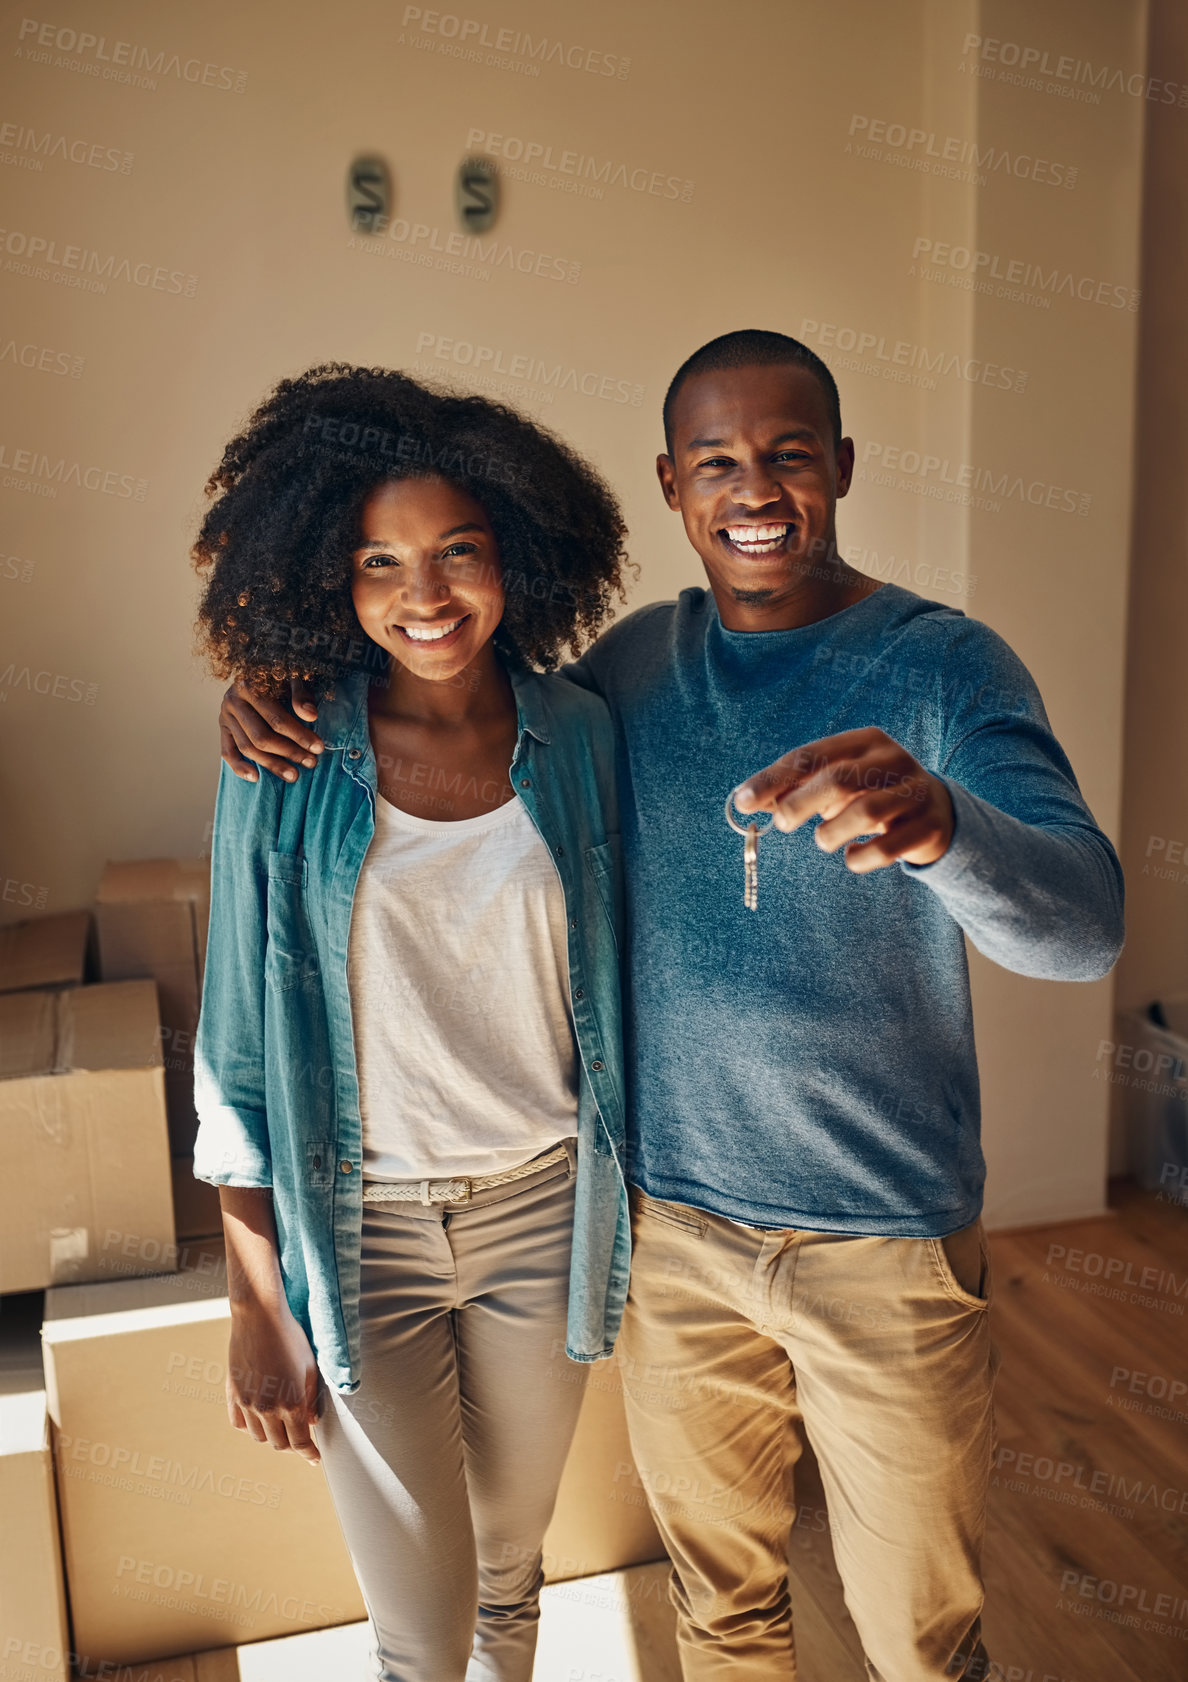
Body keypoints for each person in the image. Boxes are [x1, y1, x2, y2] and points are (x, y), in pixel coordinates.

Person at [218, 332, 1125, 1682]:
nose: (754, 488)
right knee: (722, 1608)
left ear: (844, 468)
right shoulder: (627, 678)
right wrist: (274, 685)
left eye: (788, 455)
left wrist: (942, 825)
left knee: (923, 1638)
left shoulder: (945, 668)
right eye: (717, 461)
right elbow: (449, 700)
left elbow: (1088, 924)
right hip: (677, 1238)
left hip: (883, 1245)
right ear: (669, 485)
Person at [191, 362, 633, 1682]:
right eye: (379, 561)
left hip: (540, 1212)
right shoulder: (280, 759)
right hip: (360, 1230)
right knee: (421, 1627)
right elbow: (236, 1055)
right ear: (332, 575)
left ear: (520, 559)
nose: (423, 594)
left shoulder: (584, 736)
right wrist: (254, 1302)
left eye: (457, 552)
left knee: (509, 1570)